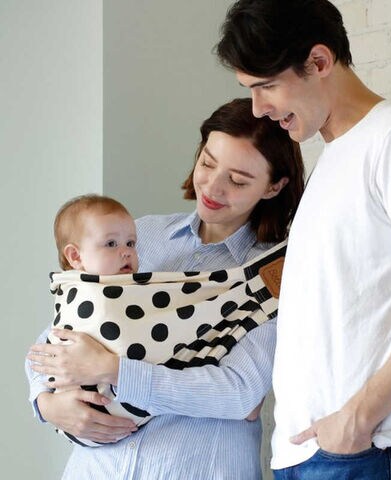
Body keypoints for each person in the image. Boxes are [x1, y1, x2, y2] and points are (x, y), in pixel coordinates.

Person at [216, 1, 391, 479]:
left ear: (319, 61)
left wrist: (356, 421)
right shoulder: (331, 161)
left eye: (266, 86)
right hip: (311, 454)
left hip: (369, 451)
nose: (258, 108)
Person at [26, 97, 305, 479]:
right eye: (207, 163)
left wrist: (113, 369)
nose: (213, 186)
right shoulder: (138, 237)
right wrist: (47, 404)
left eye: (238, 180)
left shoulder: (271, 276)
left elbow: (238, 393)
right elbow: (60, 333)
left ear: (274, 187)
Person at [53, 194, 139, 275]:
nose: (127, 252)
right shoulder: (78, 286)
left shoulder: (137, 282)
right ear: (76, 256)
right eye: (111, 244)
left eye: (130, 243)